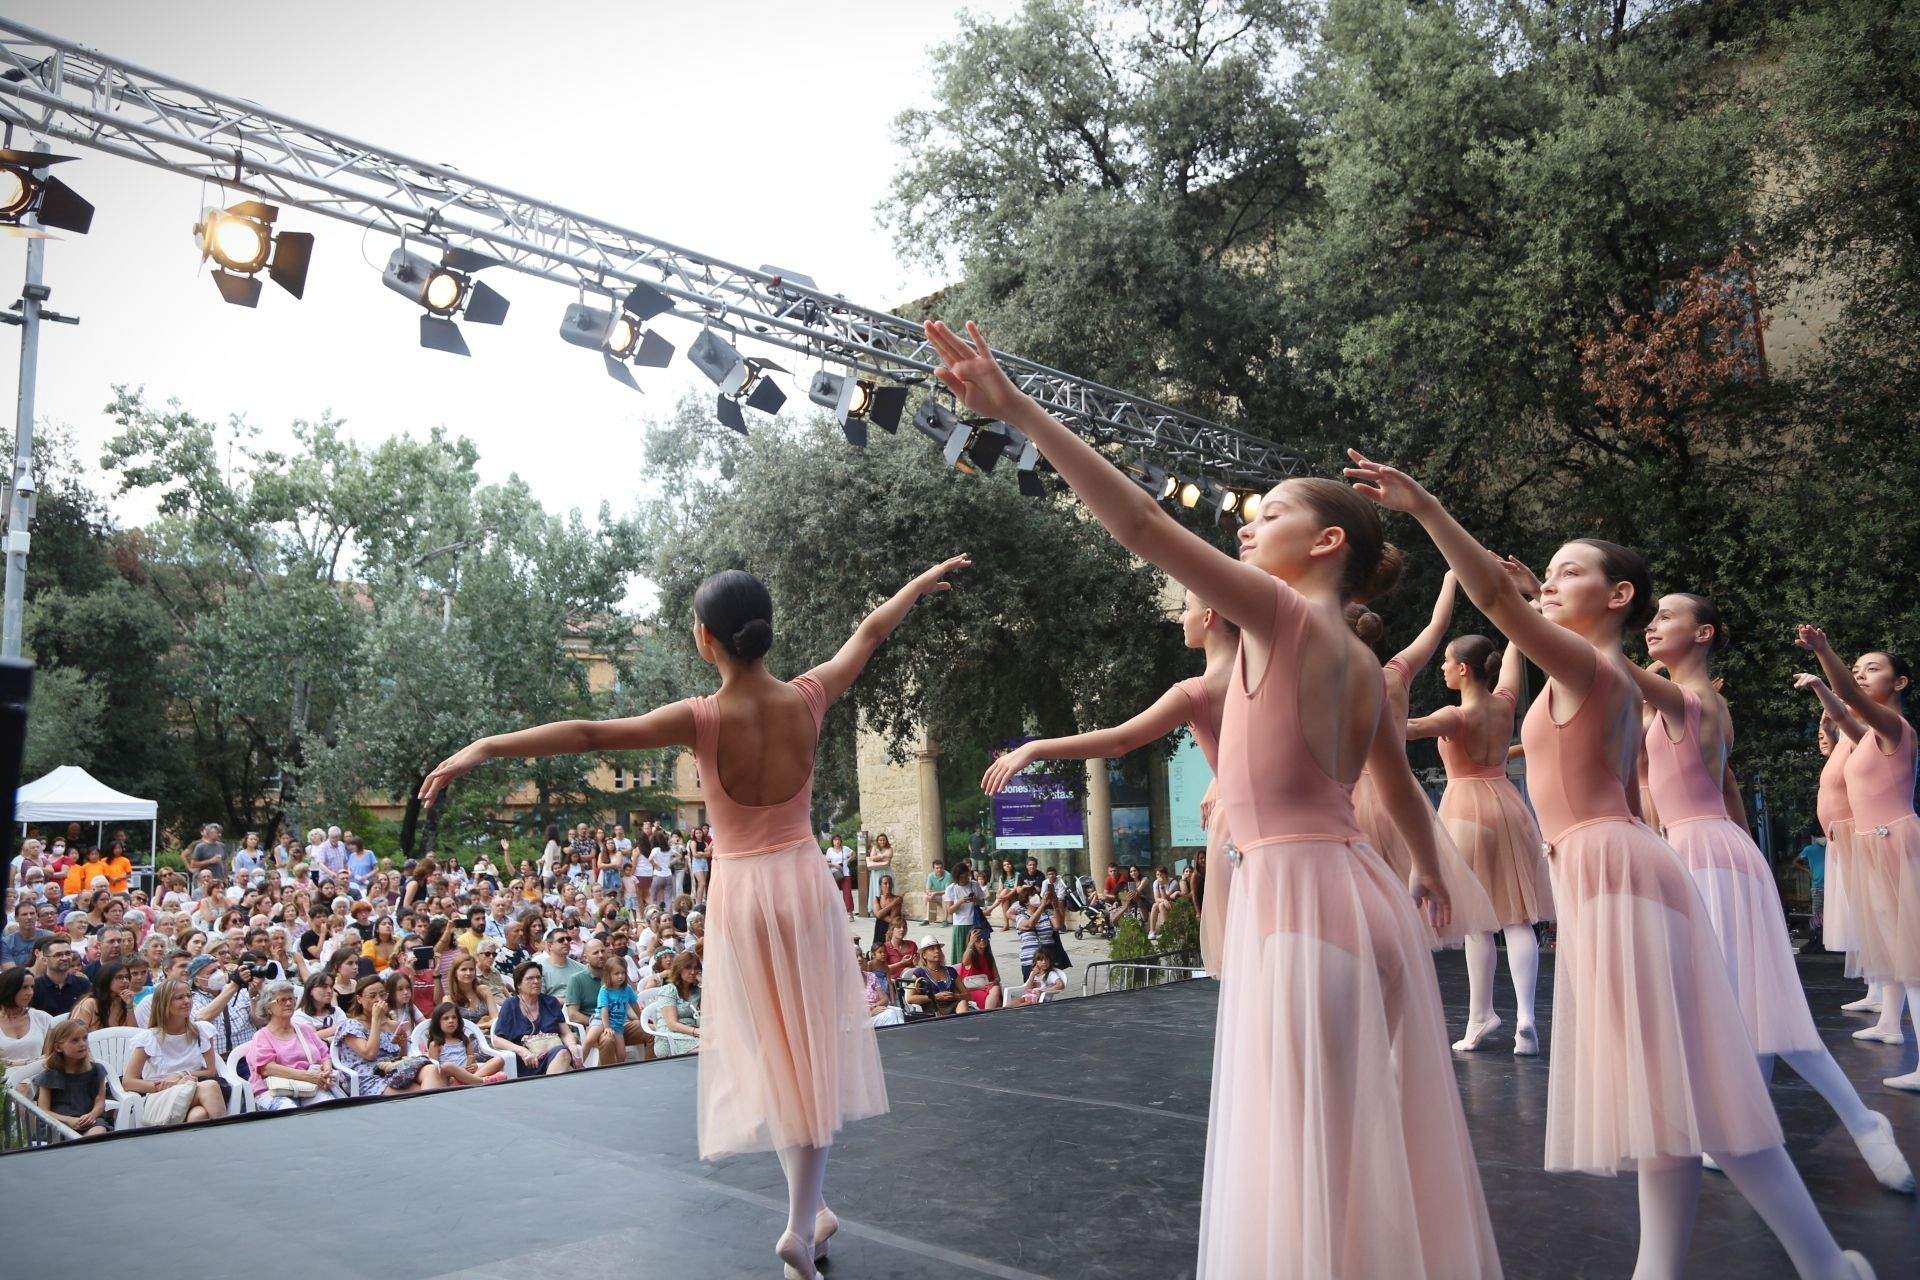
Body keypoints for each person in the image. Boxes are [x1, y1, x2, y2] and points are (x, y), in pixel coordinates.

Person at [928, 318, 1495, 1278]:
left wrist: (1019, 409)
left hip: (1301, 903)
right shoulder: (1359, 660)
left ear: (1321, 544)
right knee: (1357, 1147)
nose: (1244, 521)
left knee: (1303, 1153)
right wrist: (1433, 873)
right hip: (1362, 901)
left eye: (1265, 512)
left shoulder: (1281, 618)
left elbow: (1144, 526)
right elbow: (1394, 781)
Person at [1346, 445, 1874, 1277]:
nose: (1549, 583)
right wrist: (1522, 601)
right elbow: (1519, 625)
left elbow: (1490, 597)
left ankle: (1814, 1264)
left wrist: (1426, 511)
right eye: (1546, 576)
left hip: (1616, 870)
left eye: (1567, 572)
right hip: (1606, 870)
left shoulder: (1591, 665)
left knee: (1681, 1090)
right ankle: (1796, 1265)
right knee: (1671, 1094)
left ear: (1618, 595)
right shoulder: (1594, 669)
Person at [421, 560, 965, 1280]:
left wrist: (487, 747)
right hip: (803, 883)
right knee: (806, 1053)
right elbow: (868, 632)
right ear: (764, 630)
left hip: (743, 893)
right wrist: (913, 586)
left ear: (706, 639)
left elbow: (587, 734)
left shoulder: (701, 718)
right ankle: (809, 1218)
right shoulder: (808, 696)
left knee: (780, 1049)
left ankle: (805, 1222)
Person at [1634, 595, 1910, 1190]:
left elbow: (1599, 661)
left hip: (1705, 853)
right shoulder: (1691, 704)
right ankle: (1748, 1121)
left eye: (1666, 616)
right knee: (1740, 1005)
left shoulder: (1692, 698)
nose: (1653, 624)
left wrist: (1535, 600)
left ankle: (1861, 1121)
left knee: (1746, 1005)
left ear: (1703, 633)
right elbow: (1725, 789)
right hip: (1707, 850)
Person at [1406, 633, 1554, 1051]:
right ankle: (1526, 1020)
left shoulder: (1455, 715)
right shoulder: (1505, 702)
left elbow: (1409, 728)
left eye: (1447, 662)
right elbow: (1514, 646)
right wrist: (1527, 616)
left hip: (1466, 812)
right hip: (1509, 807)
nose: (1442, 668)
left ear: (1463, 669)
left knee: (1477, 921)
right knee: (1518, 917)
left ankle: (1480, 1017)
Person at [1346, 573, 1501, 953]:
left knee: (1358, 912)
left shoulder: (1333, 675)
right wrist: (1449, 579)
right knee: (1402, 910)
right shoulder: (1396, 672)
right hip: (1397, 794)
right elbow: (1437, 626)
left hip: (1349, 795)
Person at [1794, 631, 1919, 1083]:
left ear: (1899, 683)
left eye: (1874, 668)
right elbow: (1841, 708)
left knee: (1911, 956)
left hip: (1892, 841)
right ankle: (1890, 1026)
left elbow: (1847, 694)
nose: (1863, 674)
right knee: (1893, 949)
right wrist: (1820, 688)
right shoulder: (1862, 734)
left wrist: (1824, 650)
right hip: (1874, 843)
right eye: (1859, 666)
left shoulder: (1892, 728)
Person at [124, 978, 227, 1125]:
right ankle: (228, 1138)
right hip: (161, 1096)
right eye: (179, 997)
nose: (187, 1001)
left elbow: (210, 1071)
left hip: (195, 1089)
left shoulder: (202, 1030)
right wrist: (165, 1085)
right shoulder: (148, 1038)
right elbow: (128, 1082)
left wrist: (181, 1076)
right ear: (164, 1003)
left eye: (189, 995)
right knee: (210, 1086)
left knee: (198, 1115)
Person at [337, 973, 444, 1097]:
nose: (378, 1000)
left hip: (395, 1071)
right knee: (421, 1091)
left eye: (382, 995)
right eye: (372, 996)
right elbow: (370, 1054)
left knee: (431, 1070)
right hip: (367, 1076)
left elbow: (400, 1057)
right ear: (359, 999)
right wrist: (376, 1020)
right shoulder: (351, 1025)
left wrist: (403, 1045)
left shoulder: (392, 1025)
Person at [246, 980, 344, 1110]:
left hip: (309, 1087)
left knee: (327, 1108)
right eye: (282, 1000)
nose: (289, 1003)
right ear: (268, 1008)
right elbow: (266, 1069)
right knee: (288, 1111)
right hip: (274, 1089)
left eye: (292, 999)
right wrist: (308, 1076)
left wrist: (326, 1071)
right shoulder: (262, 1036)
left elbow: (324, 1055)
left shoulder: (304, 1030)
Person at [490, 960, 582, 1077]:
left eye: (538, 978)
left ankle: (546, 1087)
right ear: (518, 984)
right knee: (564, 1060)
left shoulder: (550, 1002)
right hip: (527, 1061)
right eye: (530, 978)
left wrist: (573, 1047)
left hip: (555, 1054)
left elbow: (565, 1033)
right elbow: (497, 1039)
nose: (536, 981)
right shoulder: (510, 1005)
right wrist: (522, 1051)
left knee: (563, 1052)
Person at [35, 1018, 111, 1136]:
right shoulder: (49, 1075)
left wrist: (92, 1115)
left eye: (85, 1038)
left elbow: (100, 1101)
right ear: (58, 1047)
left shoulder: (96, 1070)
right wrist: (68, 1120)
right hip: (58, 1124)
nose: (82, 1044)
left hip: (89, 1121)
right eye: (75, 1040)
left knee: (98, 1132)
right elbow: (43, 1110)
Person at [422, 1001, 506, 1085]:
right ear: (437, 1023)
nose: (451, 1021)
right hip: (449, 1078)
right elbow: (434, 1069)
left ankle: (466, 1081)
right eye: (446, 1018)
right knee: (447, 1066)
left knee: (499, 1060)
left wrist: (474, 1066)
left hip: (468, 1073)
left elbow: (471, 1058)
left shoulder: (464, 1039)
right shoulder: (436, 1044)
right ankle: (481, 1081)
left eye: (454, 1017)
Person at [0, 967, 54, 1070]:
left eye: (32, 987)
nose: (30, 993)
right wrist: (23, 1064)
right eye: (24, 987)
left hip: (37, 1075)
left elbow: (50, 1055)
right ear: (9, 989)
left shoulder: (43, 1018)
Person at [652, 949, 703, 1056]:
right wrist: (697, 1032)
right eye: (688, 968)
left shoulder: (697, 991)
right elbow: (672, 1024)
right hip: (670, 1037)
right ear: (679, 969)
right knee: (708, 1048)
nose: (693, 972)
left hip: (693, 1034)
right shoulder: (669, 990)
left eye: (696, 968)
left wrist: (703, 983)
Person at [904, 938, 966, 1018]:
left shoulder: (951, 971)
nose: (937, 951)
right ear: (924, 955)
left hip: (954, 1007)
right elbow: (910, 998)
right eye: (932, 949)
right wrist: (935, 997)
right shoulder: (919, 973)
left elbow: (967, 995)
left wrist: (955, 996)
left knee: (963, 1003)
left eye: (938, 948)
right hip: (932, 1010)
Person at [30, 937, 90, 1016]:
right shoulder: (34, 987)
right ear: (45, 960)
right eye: (58, 955)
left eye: (68, 953)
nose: (64, 958)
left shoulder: (83, 984)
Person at [944, 861, 987, 960]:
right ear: (956, 877)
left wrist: (975, 899)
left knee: (977, 954)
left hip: (975, 923)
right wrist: (960, 902)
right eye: (961, 877)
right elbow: (950, 911)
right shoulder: (951, 888)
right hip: (960, 925)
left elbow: (983, 903)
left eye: (966, 876)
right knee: (961, 954)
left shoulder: (974, 884)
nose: (964, 879)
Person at [955, 927, 1003, 1011]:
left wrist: (993, 982)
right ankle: (987, 1014)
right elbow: (965, 962)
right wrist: (971, 943)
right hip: (972, 990)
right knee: (996, 997)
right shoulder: (971, 956)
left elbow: (997, 977)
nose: (982, 940)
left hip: (987, 988)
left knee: (996, 989)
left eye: (984, 938)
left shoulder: (989, 957)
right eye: (978, 939)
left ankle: (987, 1013)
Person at [870, 875, 905, 951]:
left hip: (891, 930)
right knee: (877, 950)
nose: (888, 886)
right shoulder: (877, 899)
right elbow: (878, 915)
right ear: (880, 886)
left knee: (890, 951)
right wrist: (893, 904)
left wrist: (880, 914)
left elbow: (892, 920)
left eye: (890, 883)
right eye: (885, 883)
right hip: (879, 929)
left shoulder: (896, 899)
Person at [824, 835, 854, 918]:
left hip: (845, 873)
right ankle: (835, 913)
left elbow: (853, 854)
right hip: (834, 874)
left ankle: (849, 913)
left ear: (841, 841)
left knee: (847, 893)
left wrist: (848, 860)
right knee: (833, 894)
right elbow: (825, 862)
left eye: (838, 840)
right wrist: (834, 865)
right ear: (832, 841)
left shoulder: (845, 848)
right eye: (835, 840)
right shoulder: (830, 850)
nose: (837, 842)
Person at [863, 834, 892, 916]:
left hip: (886, 872)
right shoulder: (874, 848)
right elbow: (872, 858)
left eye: (883, 840)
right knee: (876, 889)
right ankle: (876, 909)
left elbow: (889, 857)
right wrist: (882, 856)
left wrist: (877, 858)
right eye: (880, 840)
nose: (882, 841)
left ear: (886, 840)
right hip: (876, 873)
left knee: (887, 889)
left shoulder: (889, 848)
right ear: (877, 841)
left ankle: (887, 909)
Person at [925, 860, 951, 925]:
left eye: (940, 868)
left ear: (943, 868)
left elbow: (947, 891)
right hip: (937, 895)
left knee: (944, 896)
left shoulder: (948, 875)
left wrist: (935, 893)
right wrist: (930, 893)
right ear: (933, 869)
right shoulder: (930, 875)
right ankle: (928, 918)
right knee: (926, 896)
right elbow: (927, 889)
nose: (939, 870)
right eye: (937, 868)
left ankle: (945, 920)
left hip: (947, 897)